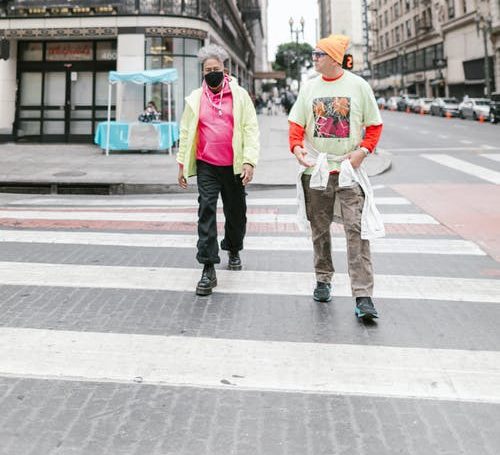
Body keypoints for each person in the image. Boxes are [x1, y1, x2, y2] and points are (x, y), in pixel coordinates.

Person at [288, 34, 383, 320]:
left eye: (318, 54)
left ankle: (363, 295)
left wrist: (362, 152)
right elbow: (296, 124)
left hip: (348, 171)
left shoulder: (358, 86)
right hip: (316, 171)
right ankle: (323, 279)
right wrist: (297, 149)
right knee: (319, 230)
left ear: (332, 58)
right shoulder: (309, 88)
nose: (314, 58)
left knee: (357, 231)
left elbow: (374, 126)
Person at [177, 44, 260, 296]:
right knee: (206, 210)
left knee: (236, 212)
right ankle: (208, 267)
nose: (212, 73)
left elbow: (250, 129)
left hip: (233, 166)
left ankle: (233, 248)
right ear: (202, 72)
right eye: (207, 69)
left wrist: (249, 161)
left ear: (225, 70)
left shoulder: (240, 96)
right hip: (207, 165)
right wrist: (182, 164)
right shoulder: (194, 99)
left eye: (216, 69)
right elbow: (185, 132)